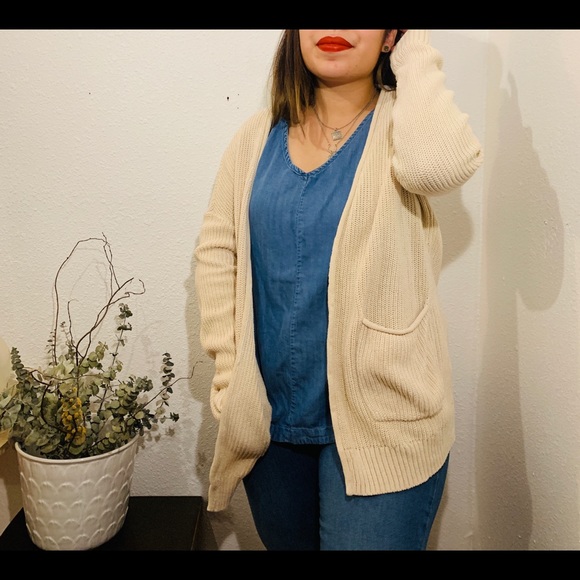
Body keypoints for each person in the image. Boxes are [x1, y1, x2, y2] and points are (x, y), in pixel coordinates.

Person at [194, 29, 483, 551]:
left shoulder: (404, 129)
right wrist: (230, 376)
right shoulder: (257, 136)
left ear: (391, 36)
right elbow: (218, 251)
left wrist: (414, 48)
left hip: (385, 426)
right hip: (272, 427)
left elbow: (439, 166)